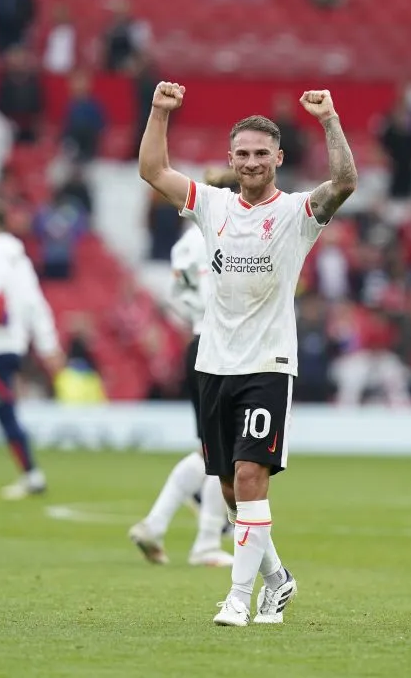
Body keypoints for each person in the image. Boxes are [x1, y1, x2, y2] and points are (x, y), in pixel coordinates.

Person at [138, 82, 357, 626]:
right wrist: (159, 112)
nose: (253, 162)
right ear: (230, 159)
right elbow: (152, 172)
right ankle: (278, 579)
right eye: (244, 153)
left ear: (279, 159)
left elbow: (346, 182)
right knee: (232, 488)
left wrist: (329, 121)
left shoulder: (296, 212)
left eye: (263, 153)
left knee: (250, 476)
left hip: (268, 364)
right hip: (213, 361)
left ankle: (238, 597)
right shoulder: (211, 204)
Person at [128, 198, 233, 568]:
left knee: (211, 447)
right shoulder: (221, 232)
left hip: (198, 340)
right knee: (226, 450)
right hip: (223, 345)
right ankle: (205, 542)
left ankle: (155, 525)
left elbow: (178, 298)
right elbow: (211, 293)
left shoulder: (183, 243)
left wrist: (197, 319)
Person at [0, 205, 64, 499]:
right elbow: (35, 304)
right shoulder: (20, 259)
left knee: (4, 411)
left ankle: (32, 475)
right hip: (12, 345)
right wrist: (48, 344)